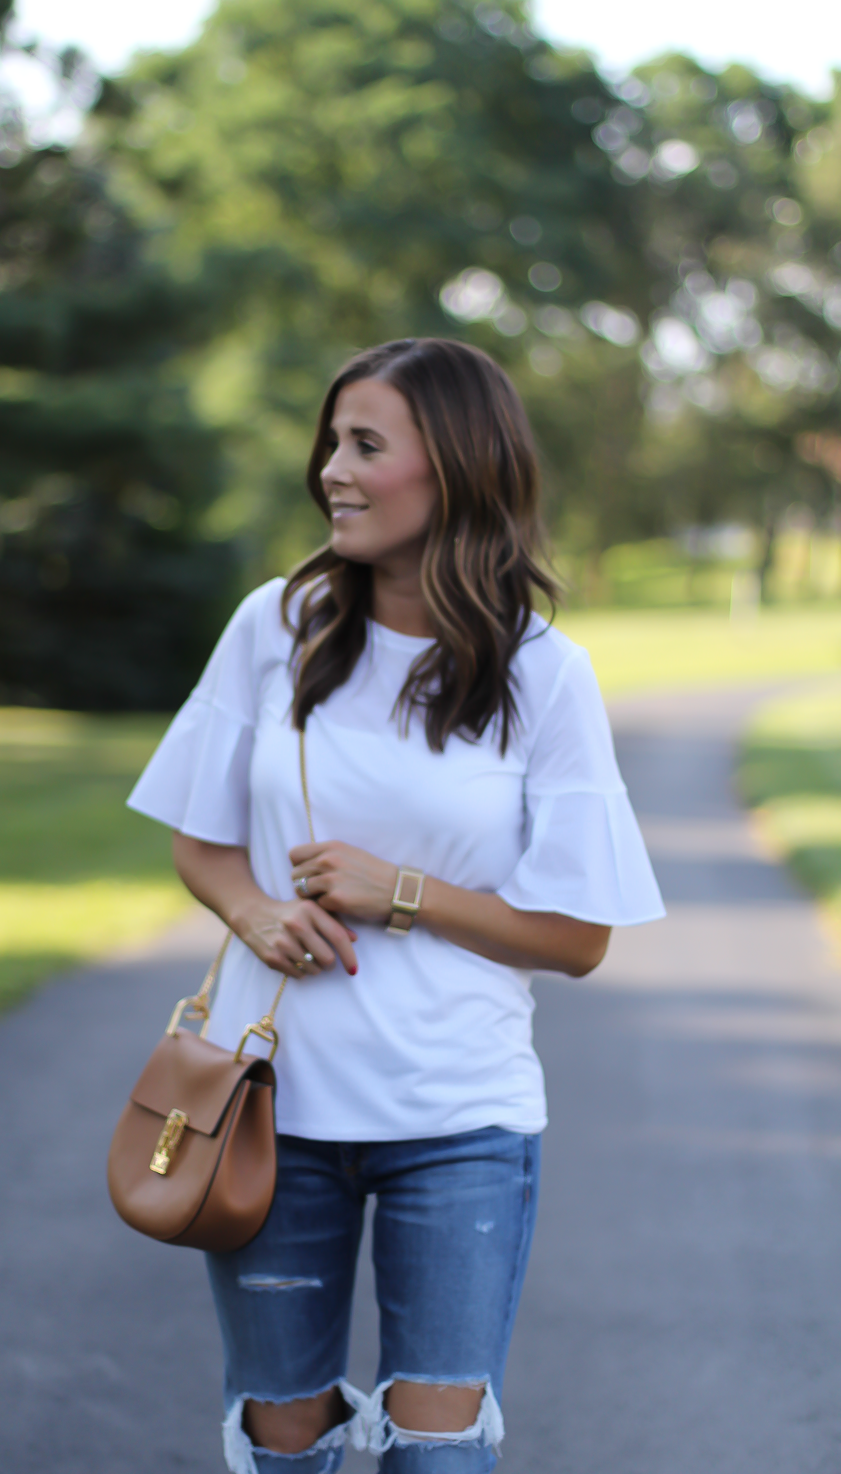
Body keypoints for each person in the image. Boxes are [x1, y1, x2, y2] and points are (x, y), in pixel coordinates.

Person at [127, 337, 664, 1474]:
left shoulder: (543, 675)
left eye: (367, 444)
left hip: (457, 1116)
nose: (333, 468)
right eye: (333, 440)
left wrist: (402, 892)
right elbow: (200, 838)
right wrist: (258, 915)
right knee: (284, 1432)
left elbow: (579, 937)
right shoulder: (274, 627)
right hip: (267, 1104)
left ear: (458, 469)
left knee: (438, 1447)